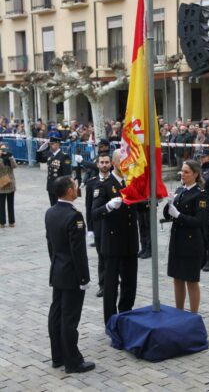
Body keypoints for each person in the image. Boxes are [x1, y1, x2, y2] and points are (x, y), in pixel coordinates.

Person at [45, 175, 95, 374]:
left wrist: (56, 265)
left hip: (57, 269)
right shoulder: (74, 216)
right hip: (72, 274)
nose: (77, 189)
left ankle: (57, 356)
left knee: (56, 314)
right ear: (68, 191)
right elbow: (78, 252)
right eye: (74, 186)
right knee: (69, 318)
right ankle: (72, 361)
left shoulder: (50, 212)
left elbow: (50, 244)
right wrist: (84, 278)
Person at [91, 149, 139, 325]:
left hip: (130, 239)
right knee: (111, 285)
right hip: (112, 241)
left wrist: (151, 201)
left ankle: (126, 314)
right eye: (123, 161)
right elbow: (94, 213)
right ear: (114, 163)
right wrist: (109, 207)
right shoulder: (104, 185)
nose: (126, 164)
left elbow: (138, 208)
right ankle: (111, 321)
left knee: (130, 282)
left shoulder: (131, 183)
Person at [163, 160, 207, 313]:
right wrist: (168, 205)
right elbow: (169, 216)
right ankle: (179, 312)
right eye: (182, 171)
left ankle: (193, 315)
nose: (183, 174)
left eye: (187, 172)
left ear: (195, 174)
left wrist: (179, 215)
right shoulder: (180, 190)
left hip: (191, 242)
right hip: (177, 241)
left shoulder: (200, 194)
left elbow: (198, 221)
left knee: (191, 281)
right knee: (177, 278)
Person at [85, 153, 112, 297]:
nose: (104, 165)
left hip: (113, 226)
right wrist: (89, 228)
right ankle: (103, 284)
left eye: (107, 162)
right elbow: (88, 207)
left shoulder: (116, 181)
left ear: (111, 163)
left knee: (113, 256)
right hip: (99, 226)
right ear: (97, 164)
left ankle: (114, 281)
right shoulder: (91, 183)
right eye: (101, 162)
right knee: (101, 257)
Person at [36, 136, 72, 205]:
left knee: (60, 207)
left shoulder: (64, 156)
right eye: (50, 144)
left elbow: (67, 174)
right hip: (51, 186)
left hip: (59, 187)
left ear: (58, 144)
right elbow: (40, 160)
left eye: (52, 144)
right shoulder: (50, 154)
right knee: (52, 206)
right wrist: (39, 151)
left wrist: (65, 187)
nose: (50, 146)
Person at [0, 144, 17, 228]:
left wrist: (11, 158)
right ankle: (2, 222)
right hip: (1, 183)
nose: (4, 151)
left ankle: (11, 222)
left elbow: (14, 166)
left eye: (5, 149)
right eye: (2, 149)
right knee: (1, 204)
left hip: (10, 182)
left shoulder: (10, 157)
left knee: (11, 203)